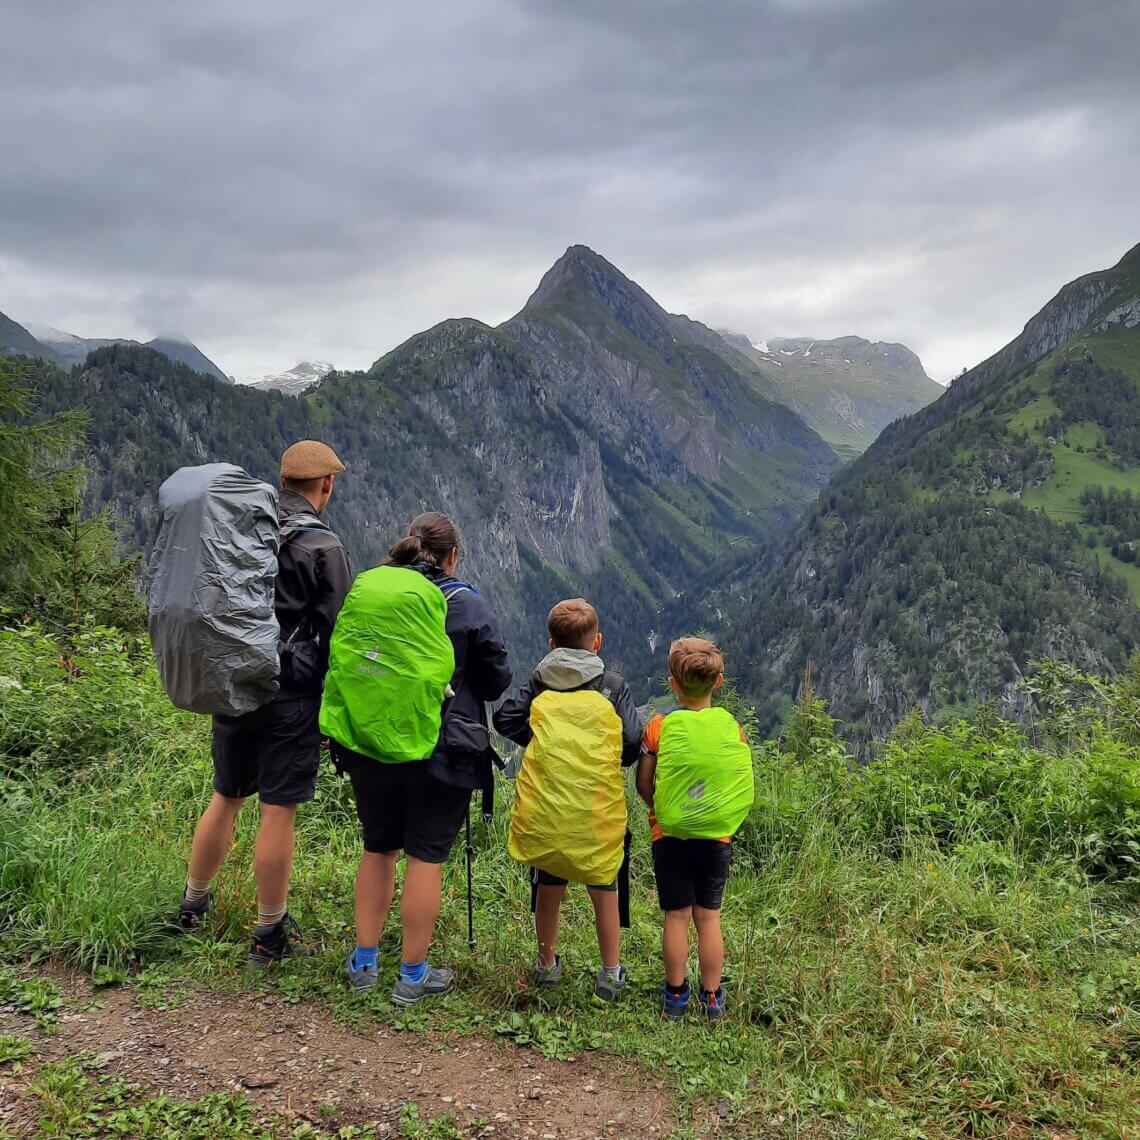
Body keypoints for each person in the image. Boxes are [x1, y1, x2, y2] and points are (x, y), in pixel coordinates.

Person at [177, 440, 352, 966]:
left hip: (234, 682)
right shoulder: (323, 547)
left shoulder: (244, 529)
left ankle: (191, 905)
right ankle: (269, 932)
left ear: (282, 481)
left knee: (226, 795)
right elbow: (338, 632)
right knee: (278, 809)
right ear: (326, 485)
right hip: (290, 694)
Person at [336, 513, 512, 1004]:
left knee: (378, 848)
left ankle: (364, 961)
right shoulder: (466, 603)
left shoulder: (372, 591)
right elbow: (498, 679)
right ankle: (412, 975)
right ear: (453, 556)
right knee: (425, 857)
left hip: (370, 742)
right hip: (441, 748)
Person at [494, 599, 642, 1001]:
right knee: (604, 884)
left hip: (549, 805)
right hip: (597, 807)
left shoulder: (541, 680)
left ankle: (546, 966)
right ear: (597, 642)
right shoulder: (612, 686)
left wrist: (546, 743)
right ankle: (610, 972)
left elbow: (505, 718)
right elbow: (632, 743)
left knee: (548, 883)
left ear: (551, 644)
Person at [636, 637, 753, 1020]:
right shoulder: (732, 728)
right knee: (708, 917)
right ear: (718, 682)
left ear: (672, 684)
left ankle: (675, 995)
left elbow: (644, 784)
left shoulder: (658, 728)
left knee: (676, 917)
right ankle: (713, 996)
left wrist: (660, 811)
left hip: (669, 837)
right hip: (716, 837)